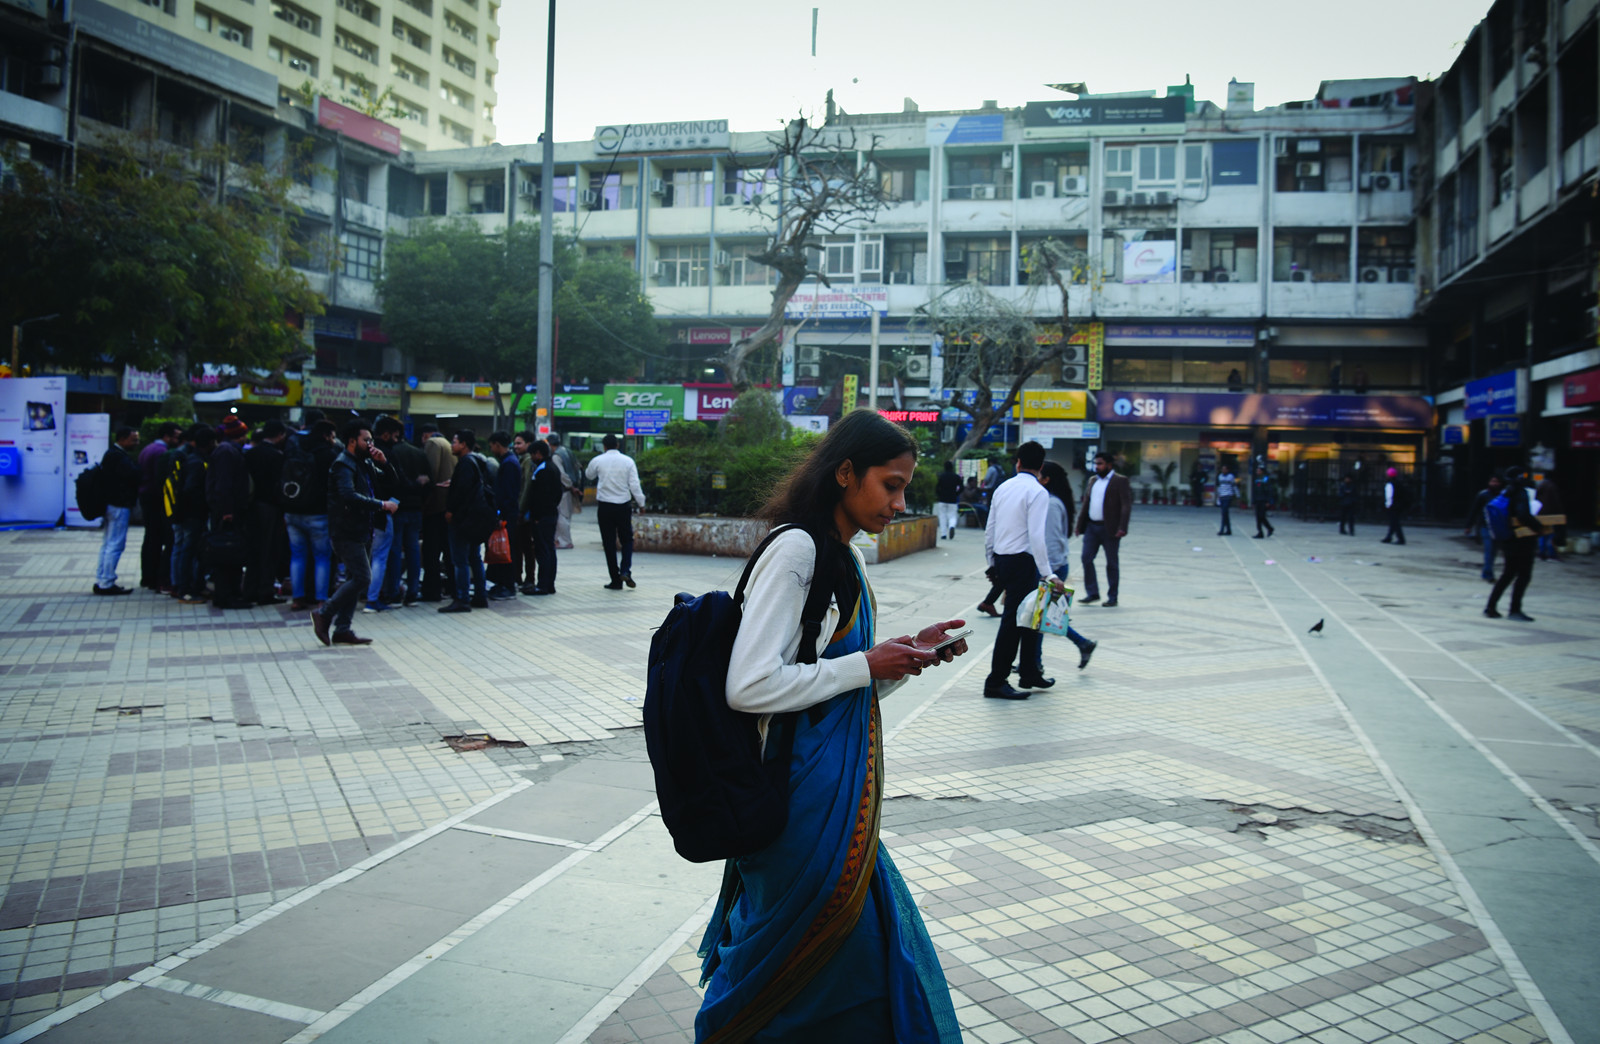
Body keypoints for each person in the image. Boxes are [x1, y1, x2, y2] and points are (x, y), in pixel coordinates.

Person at [698, 409, 963, 1042]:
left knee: (857, 970)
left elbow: (833, 684)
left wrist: (902, 657)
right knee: (818, 976)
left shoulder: (846, 557)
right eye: (890, 484)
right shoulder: (797, 550)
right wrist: (867, 665)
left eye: (905, 487)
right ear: (846, 473)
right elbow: (751, 684)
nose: (900, 502)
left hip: (838, 811)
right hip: (797, 815)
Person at [984, 442, 1069, 699]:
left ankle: (1030, 673)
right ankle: (996, 681)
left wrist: (991, 562)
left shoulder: (1003, 487)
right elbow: (1036, 536)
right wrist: (1049, 573)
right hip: (1024, 561)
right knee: (1013, 622)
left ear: (1018, 462)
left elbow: (991, 528)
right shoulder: (1038, 492)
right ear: (1040, 466)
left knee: (1032, 617)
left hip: (1003, 559)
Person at [312, 421, 399, 645]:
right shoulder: (343, 464)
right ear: (352, 441)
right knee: (362, 577)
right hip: (346, 530)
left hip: (364, 529)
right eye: (366, 440)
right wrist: (381, 505)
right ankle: (324, 614)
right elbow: (348, 496)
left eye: (371, 440)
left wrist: (385, 463)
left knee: (355, 579)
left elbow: (391, 483)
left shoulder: (364, 462)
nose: (370, 444)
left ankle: (343, 629)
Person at [1038, 462, 1096, 672]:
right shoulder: (1050, 501)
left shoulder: (1052, 504)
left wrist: (1049, 574)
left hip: (1053, 568)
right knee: (1046, 616)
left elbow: (1052, 541)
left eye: (1039, 474)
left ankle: (1035, 664)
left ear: (1046, 479)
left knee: (1042, 618)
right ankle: (1082, 643)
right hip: (1054, 567)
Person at [284, 419, 338, 612]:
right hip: (318, 513)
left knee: (297, 556)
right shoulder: (328, 455)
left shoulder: (295, 448)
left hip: (292, 510)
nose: (334, 439)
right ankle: (322, 599)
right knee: (322, 557)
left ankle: (297, 598)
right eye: (332, 435)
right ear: (325, 435)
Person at [374, 417, 427, 606]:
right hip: (415, 508)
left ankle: (393, 591)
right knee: (413, 550)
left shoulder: (388, 453)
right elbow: (425, 480)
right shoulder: (419, 454)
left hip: (396, 508)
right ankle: (413, 591)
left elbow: (397, 482)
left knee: (394, 551)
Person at [205, 416, 254, 609]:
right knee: (227, 553)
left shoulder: (227, 450)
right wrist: (227, 510)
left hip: (228, 509)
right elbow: (224, 484)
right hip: (227, 511)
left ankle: (231, 593)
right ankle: (226, 595)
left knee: (230, 553)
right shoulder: (227, 452)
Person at [585, 433, 645, 590]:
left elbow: (588, 475)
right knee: (627, 539)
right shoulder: (628, 461)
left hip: (605, 506)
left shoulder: (598, 460)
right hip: (623, 505)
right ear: (617, 445)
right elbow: (634, 485)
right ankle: (625, 570)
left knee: (609, 543)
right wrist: (641, 503)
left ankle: (615, 579)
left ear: (604, 446)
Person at [1485, 466, 1544, 623]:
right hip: (1522, 540)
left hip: (1508, 539)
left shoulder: (1505, 491)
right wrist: (1538, 527)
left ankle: (1491, 607)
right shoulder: (1521, 492)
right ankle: (1515, 610)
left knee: (1508, 574)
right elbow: (1523, 514)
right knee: (1523, 575)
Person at [440, 429, 490, 612]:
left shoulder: (466, 463)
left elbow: (463, 491)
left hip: (463, 519)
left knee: (460, 560)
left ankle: (462, 599)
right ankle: (480, 595)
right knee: (474, 557)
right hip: (474, 518)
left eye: (454, 442)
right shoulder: (478, 460)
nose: (452, 445)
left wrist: (451, 510)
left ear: (464, 444)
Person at [243, 419, 289, 606]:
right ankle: (265, 591)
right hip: (271, 507)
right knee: (270, 550)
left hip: (252, 506)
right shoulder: (278, 456)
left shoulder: (249, 453)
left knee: (253, 550)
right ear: (280, 435)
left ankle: (249, 590)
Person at [1076, 451, 1131, 607]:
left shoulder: (1119, 481)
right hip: (1092, 527)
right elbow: (1086, 503)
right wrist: (1080, 525)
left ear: (1109, 465)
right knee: (1086, 558)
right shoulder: (1093, 480)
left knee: (1111, 563)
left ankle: (1112, 596)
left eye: (1100, 464)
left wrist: (1123, 527)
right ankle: (1092, 592)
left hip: (1110, 529)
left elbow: (1126, 505)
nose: (1097, 467)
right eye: (1096, 463)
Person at [92, 425, 142, 596]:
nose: (136, 443)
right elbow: (133, 475)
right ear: (122, 439)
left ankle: (102, 579)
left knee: (108, 544)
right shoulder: (118, 457)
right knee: (115, 544)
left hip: (111, 504)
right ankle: (106, 582)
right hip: (119, 505)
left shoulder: (112, 454)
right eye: (133, 439)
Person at [169, 425, 213, 605]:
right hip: (192, 514)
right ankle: (185, 590)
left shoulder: (193, 458)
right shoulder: (196, 462)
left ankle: (192, 586)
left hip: (190, 514)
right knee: (188, 551)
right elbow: (190, 490)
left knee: (191, 551)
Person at [137, 422, 183, 592]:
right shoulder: (160, 452)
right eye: (176, 436)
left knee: (150, 537)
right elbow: (161, 478)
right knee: (157, 538)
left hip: (147, 496)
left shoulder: (149, 448)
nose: (178, 440)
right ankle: (155, 578)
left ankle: (148, 577)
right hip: (155, 499)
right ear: (167, 436)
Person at [419, 423, 456, 602]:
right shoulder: (450, 445)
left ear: (426, 435)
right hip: (448, 506)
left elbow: (430, 473)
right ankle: (453, 588)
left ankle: (431, 591)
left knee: (431, 552)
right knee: (449, 552)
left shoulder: (433, 443)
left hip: (435, 506)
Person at [522, 439, 562, 595]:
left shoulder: (543, 469)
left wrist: (537, 515)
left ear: (538, 453)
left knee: (543, 550)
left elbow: (541, 496)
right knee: (549, 550)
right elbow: (557, 494)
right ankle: (549, 584)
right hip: (550, 514)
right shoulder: (552, 467)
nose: (531, 457)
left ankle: (543, 585)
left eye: (532, 454)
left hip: (542, 517)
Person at [485, 431, 522, 600]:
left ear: (497, 445)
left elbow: (508, 493)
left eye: (492, 445)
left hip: (507, 515)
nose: (491, 449)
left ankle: (507, 585)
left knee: (506, 551)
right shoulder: (510, 461)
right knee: (505, 549)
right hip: (508, 513)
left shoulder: (509, 463)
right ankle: (502, 583)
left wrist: (500, 515)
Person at [1465, 474, 1504, 581]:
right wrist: (1469, 525)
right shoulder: (1483, 495)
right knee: (1489, 549)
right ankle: (1488, 573)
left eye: (1497, 482)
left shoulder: (1503, 495)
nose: (1494, 484)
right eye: (1493, 481)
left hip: (1498, 526)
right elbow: (1474, 511)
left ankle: (1487, 571)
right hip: (1485, 526)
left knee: (1493, 551)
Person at [548, 432, 580, 550]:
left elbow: (562, 475)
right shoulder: (567, 451)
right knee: (566, 515)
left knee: (562, 516)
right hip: (570, 489)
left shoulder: (556, 456)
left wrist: (570, 486)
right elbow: (577, 468)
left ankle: (564, 541)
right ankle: (562, 540)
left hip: (564, 490)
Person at [1534, 474, 1564, 561]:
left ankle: (1542, 552)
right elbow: (1556, 501)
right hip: (1550, 514)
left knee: (1542, 533)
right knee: (1551, 534)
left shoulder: (1540, 486)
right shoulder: (1552, 487)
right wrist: (1560, 512)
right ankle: (1551, 553)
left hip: (1541, 513)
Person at [934, 459, 961, 539]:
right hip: (952, 500)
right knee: (952, 516)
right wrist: (956, 494)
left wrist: (939, 495)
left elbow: (937, 487)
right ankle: (951, 526)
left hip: (942, 499)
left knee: (942, 516)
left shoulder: (941, 476)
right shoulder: (956, 477)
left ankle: (943, 534)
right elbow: (961, 487)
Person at [1381, 467, 1408, 545]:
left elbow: (1389, 496)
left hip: (1393, 506)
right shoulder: (1398, 483)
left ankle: (1401, 538)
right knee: (1393, 522)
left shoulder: (1390, 484)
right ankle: (1389, 537)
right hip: (1399, 505)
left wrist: (1388, 505)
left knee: (1395, 522)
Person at [1251, 465, 1276, 539]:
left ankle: (1269, 528)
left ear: (1262, 471)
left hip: (1263, 500)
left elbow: (1269, 491)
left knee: (1262, 516)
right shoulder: (1256, 479)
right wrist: (1253, 501)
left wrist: (1268, 501)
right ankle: (1260, 532)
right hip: (1257, 500)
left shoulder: (1266, 479)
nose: (1257, 472)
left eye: (1258, 470)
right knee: (1258, 517)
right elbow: (1254, 491)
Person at [1215, 462, 1238, 536]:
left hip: (1228, 495)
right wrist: (1218, 496)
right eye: (1222, 469)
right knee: (1225, 514)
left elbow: (1234, 486)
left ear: (1227, 470)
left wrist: (1237, 495)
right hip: (1222, 496)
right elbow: (1219, 487)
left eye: (1225, 469)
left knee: (1224, 513)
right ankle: (1228, 530)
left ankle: (1222, 529)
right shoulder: (1220, 476)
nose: (1223, 470)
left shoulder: (1231, 476)